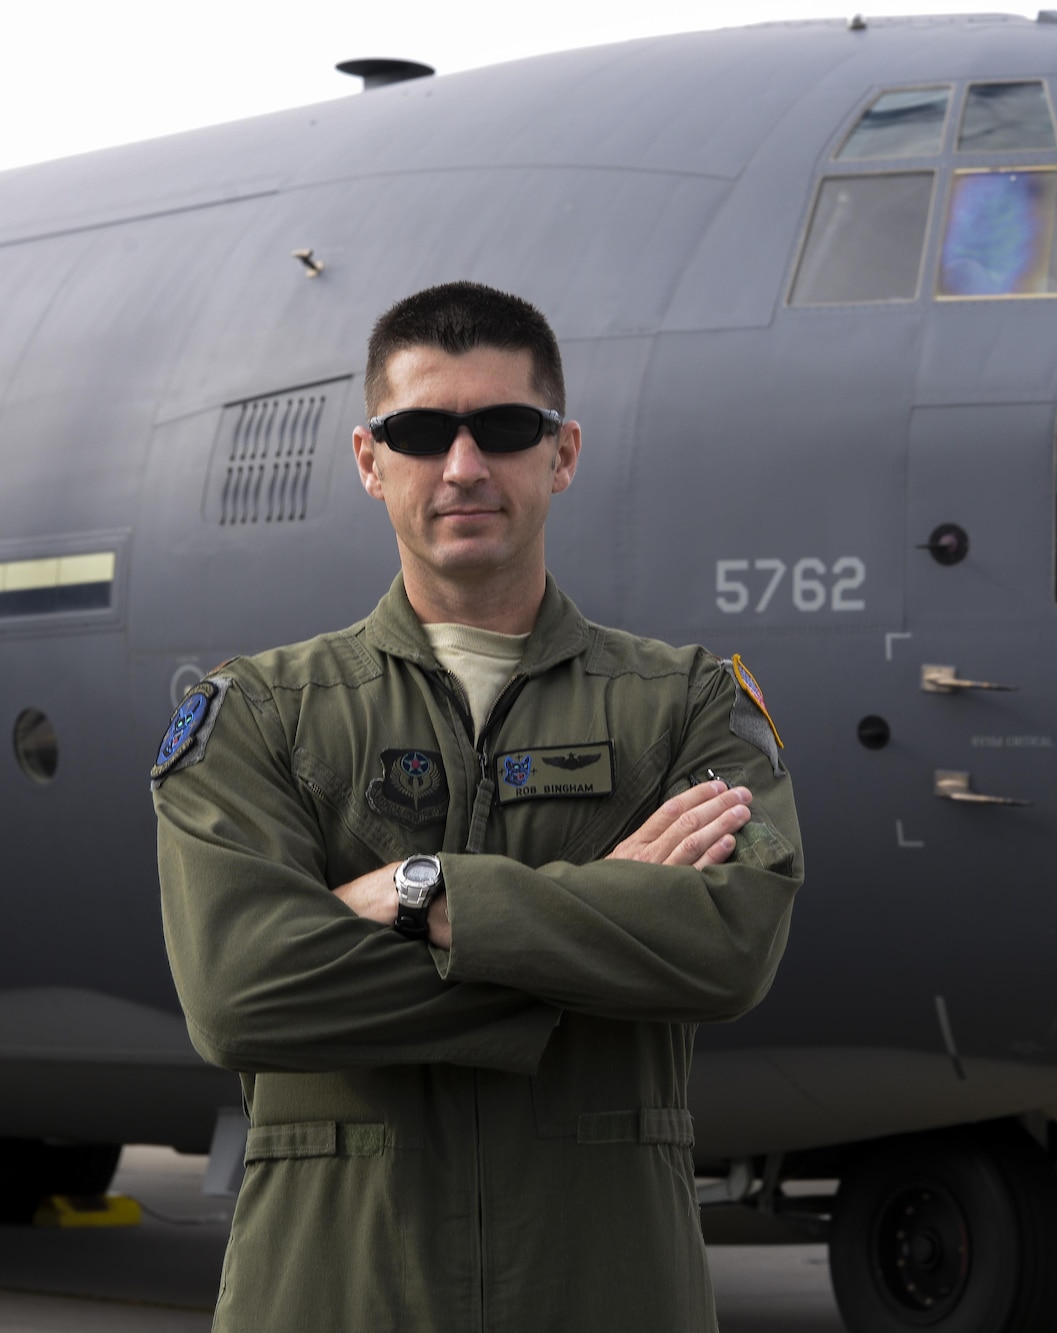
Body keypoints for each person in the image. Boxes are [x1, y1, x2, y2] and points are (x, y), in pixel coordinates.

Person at [153, 281, 802, 1331]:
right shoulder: (262, 715)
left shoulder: (686, 704)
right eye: (421, 432)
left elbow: (728, 944)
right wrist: (596, 940)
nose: (463, 467)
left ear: (563, 452)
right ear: (370, 459)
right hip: (338, 1297)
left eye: (503, 427)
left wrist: (428, 891)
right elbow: (242, 992)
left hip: (600, 1296)